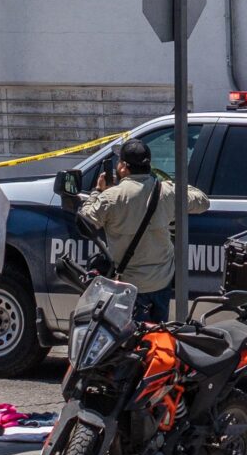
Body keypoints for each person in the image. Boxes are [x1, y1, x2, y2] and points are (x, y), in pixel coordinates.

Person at [76, 137, 211, 322]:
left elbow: (85, 220)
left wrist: (98, 191)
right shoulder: (166, 192)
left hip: (129, 286)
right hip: (161, 283)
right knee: (156, 340)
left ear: (123, 166)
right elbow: (203, 201)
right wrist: (174, 184)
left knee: (131, 343)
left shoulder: (111, 197)